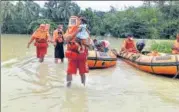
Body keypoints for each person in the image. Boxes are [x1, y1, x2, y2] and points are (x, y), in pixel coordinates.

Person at [64, 16, 89, 87]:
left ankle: (83, 86)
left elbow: (89, 45)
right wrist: (76, 32)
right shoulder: (69, 30)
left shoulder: (85, 31)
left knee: (82, 72)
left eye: (81, 22)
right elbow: (67, 40)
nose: (80, 23)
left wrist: (82, 42)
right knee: (69, 72)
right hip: (72, 54)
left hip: (81, 54)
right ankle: (68, 86)